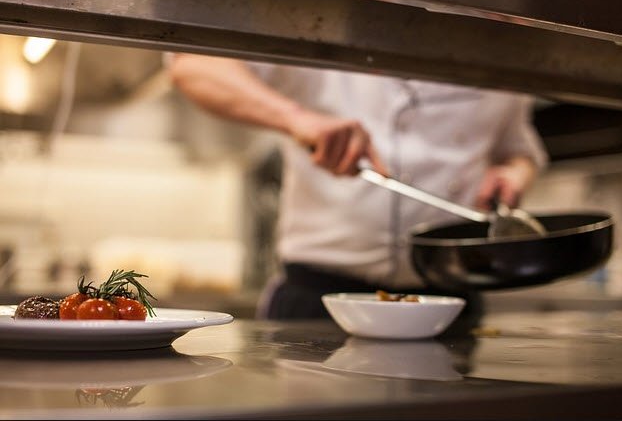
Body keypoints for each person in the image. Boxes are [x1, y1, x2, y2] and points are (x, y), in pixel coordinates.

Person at [167, 54, 548, 320]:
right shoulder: (322, 14)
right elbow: (194, 65)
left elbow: (519, 151)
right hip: (320, 299)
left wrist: (513, 175)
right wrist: (297, 119)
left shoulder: (496, 38)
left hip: (452, 301)